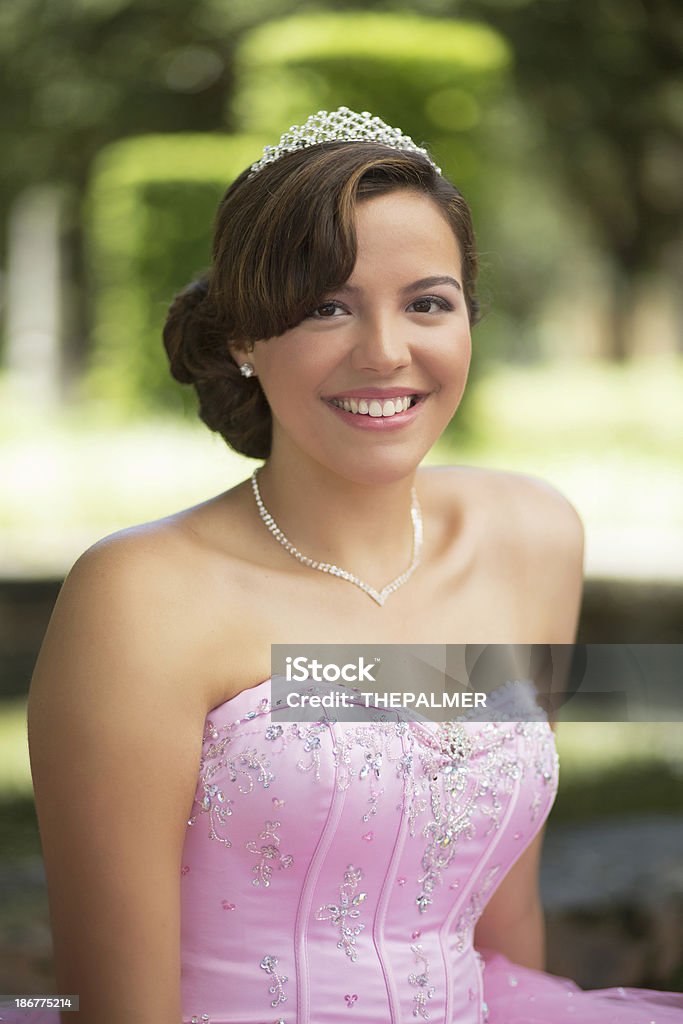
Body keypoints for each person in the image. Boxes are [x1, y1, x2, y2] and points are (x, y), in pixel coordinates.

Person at [13, 107, 683, 1024]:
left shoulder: (527, 537)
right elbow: (113, 1006)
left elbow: (503, 916)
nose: (384, 353)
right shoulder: (145, 597)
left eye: (426, 303)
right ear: (245, 338)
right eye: (326, 306)